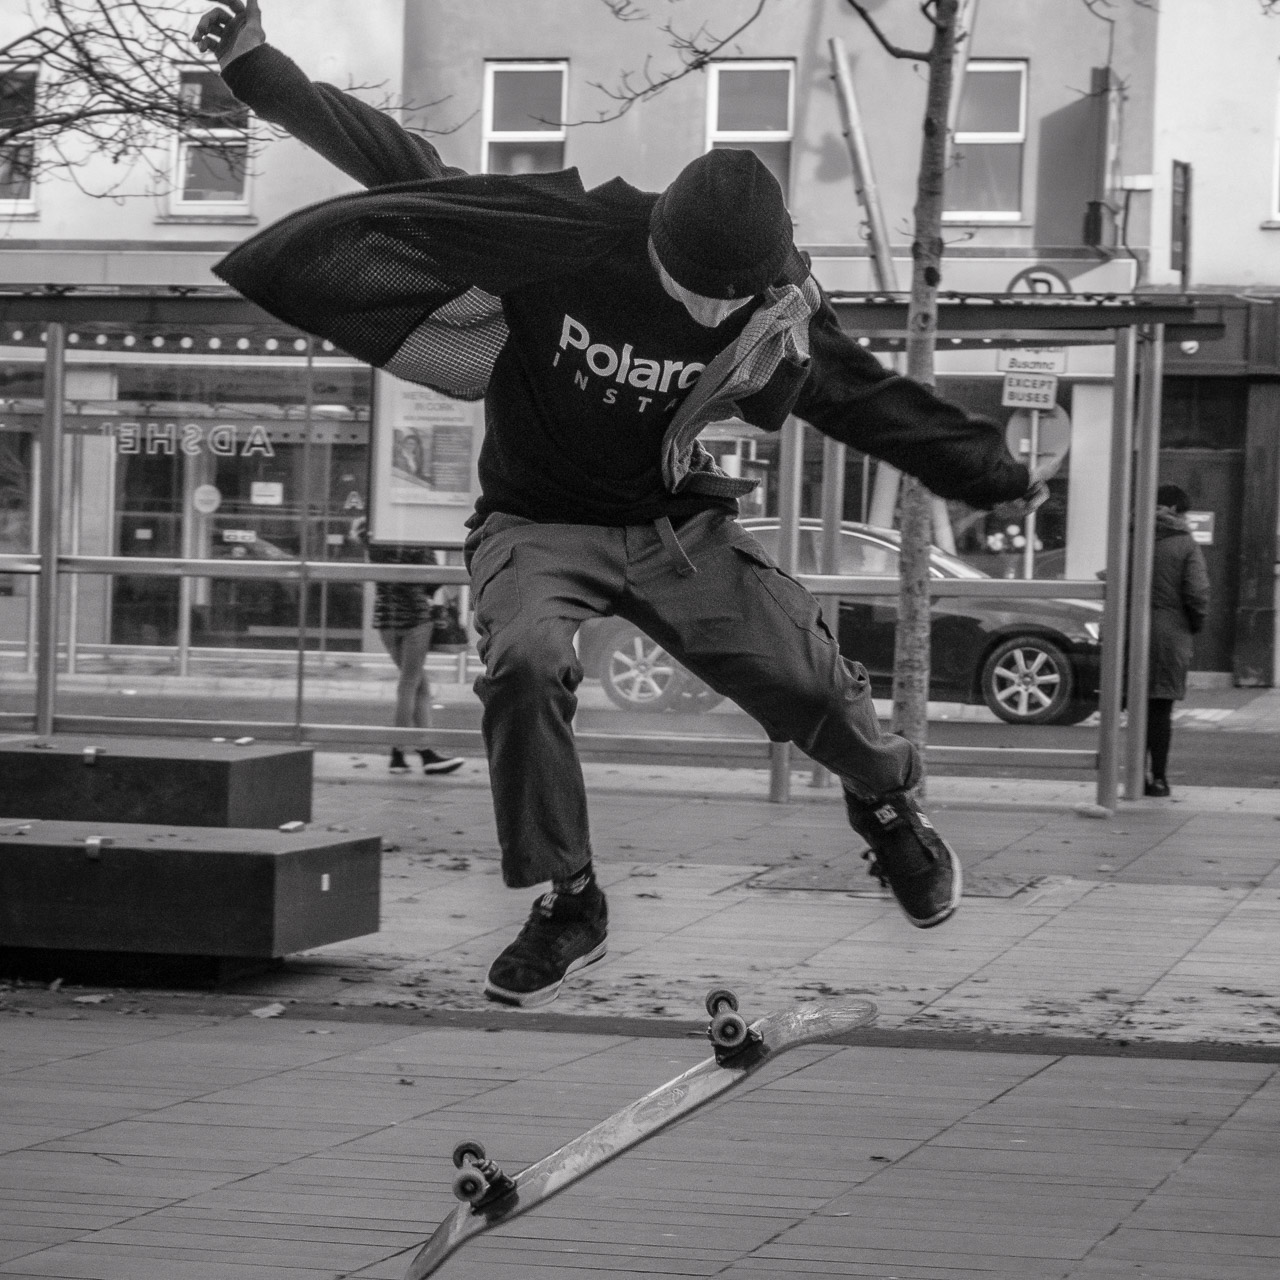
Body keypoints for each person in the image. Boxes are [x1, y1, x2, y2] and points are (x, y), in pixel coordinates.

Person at [194, 0, 1053, 1008]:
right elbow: (405, 165)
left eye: (721, 301)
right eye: (688, 290)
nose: (704, 313)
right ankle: (570, 896)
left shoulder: (772, 299)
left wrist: (991, 468)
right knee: (520, 662)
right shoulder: (559, 238)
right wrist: (260, 71)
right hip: (536, 521)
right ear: (656, 242)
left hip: (673, 526)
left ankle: (883, 800)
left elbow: (861, 396)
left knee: (807, 684)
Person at [367, 540, 465, 777]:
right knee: (410, 684)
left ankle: (426, 752)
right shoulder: (420, 544)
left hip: (386, 621)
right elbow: (433, 581)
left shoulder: (378, 543)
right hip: (416, 621)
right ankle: (399, 754)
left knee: (420, 685)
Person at [1145, 484, 1210, 797]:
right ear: (1172, 510)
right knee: (1160, 709)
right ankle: (1157, 778)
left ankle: (1134, 773)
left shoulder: (1129, 535)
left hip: (1130, 632)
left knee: (1136, 705)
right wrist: (1193, 624)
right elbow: (1197, 592)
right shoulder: (1185, 544)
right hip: (1168, 635)